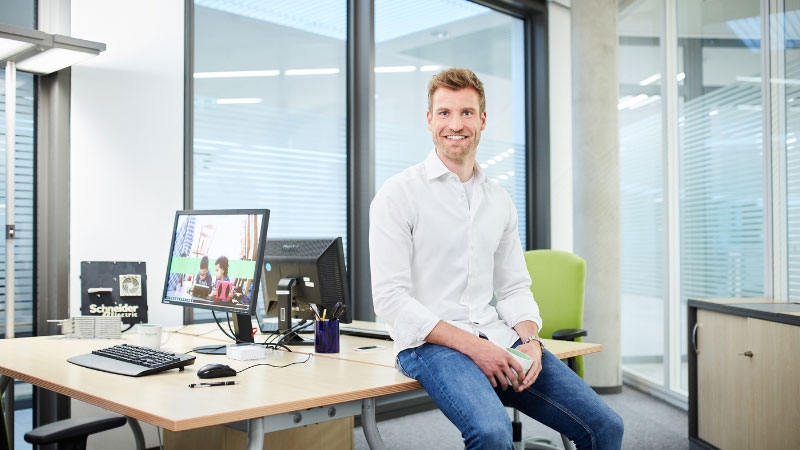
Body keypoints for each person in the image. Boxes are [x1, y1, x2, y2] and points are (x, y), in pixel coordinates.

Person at [369, 67, 624, 450]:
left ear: (483, 120)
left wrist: (531, 340)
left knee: (605, 426)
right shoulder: (398, 194)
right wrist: (475, 347)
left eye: (467, 113)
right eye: (444, 113)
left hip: (496, 334)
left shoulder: (499, 200)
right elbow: (390, 299)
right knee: (492, 434)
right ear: (429, 120)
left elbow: (514, 287)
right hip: (427, 344)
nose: (456, 124)